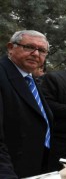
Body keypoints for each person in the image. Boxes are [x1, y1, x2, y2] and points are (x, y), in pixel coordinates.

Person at [0, 30, 53, 178]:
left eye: (42, 50)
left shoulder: (29, 79)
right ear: (11, 48)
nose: (36, 54)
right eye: (29, 47)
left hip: (31, 165)